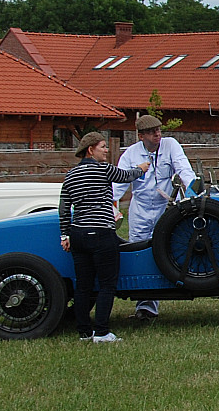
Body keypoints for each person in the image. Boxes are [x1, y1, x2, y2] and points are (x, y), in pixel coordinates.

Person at [60, 132, 149, 342]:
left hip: (78, 234)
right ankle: (101, 331)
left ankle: (84, 332)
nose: (106, 151)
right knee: (107, 284)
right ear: (90, 150)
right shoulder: (102, 170)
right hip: (101, 233)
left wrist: (64, 234)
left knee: (83, 285)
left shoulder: (71, 175)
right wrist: (141, 169)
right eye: (102, 147)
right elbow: (125, 176)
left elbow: (64, 208)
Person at [113, 114, 198, 322]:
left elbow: (183, 169)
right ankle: (145, 306)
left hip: (166, 206)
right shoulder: (130, 155)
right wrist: (109, 205)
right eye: (152, 132)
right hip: (140, 208)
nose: (157, 134)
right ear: (141, 136)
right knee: (139, 250)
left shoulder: (170, 145)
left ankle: (174, 286)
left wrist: (194, 190)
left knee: (166, 249)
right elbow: (118, 184)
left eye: (159, 130)